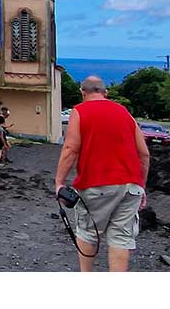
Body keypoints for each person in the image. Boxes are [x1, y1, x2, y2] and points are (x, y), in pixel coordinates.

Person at [54, 75, 150, 272]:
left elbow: (71, 148)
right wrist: (141, 185)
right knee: (121, 238)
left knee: (89, 232)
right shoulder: (124, 112)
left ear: (83, 93)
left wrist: (59, 183)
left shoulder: (80, 111)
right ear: (105, 93)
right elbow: (144, 153)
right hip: (131, 186)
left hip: (96, 184)